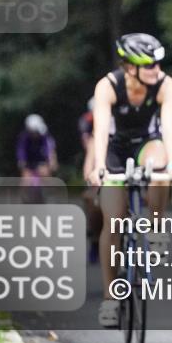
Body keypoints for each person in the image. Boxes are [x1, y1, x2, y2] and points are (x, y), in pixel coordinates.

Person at [86, 33, 172, 328]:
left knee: (160, 166)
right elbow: (101, 131)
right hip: (115, 149)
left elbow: (168, 130)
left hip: (149, 143)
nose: (157, 70)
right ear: (130, 67)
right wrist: (99, 167)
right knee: (113, 222)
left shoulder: (167, 85)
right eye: (149, 66)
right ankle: (110, 298)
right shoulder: (107, 86)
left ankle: (156, 228)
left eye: (158, 64)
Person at [78, 98, 101, 263]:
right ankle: (94, 238)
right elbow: (88, 170)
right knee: (91, 199)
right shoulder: (92, 137)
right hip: (101, 179)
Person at [17, 114, 57, 182]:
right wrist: (22, 162)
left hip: (42, 162)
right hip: (29, 163)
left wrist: (52, 162)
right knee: (26, 180)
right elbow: (21, 152)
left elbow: (51, 151)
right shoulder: (24, 138)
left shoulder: (45, 136)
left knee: (46, 175)